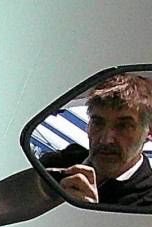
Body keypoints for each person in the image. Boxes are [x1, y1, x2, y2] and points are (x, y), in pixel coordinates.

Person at [40, 73, 152, 207]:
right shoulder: (58, 163)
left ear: (149, 132)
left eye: (123, 126)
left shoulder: (147, 201)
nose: (106, 139)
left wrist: (88, 213)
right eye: (98, 123)